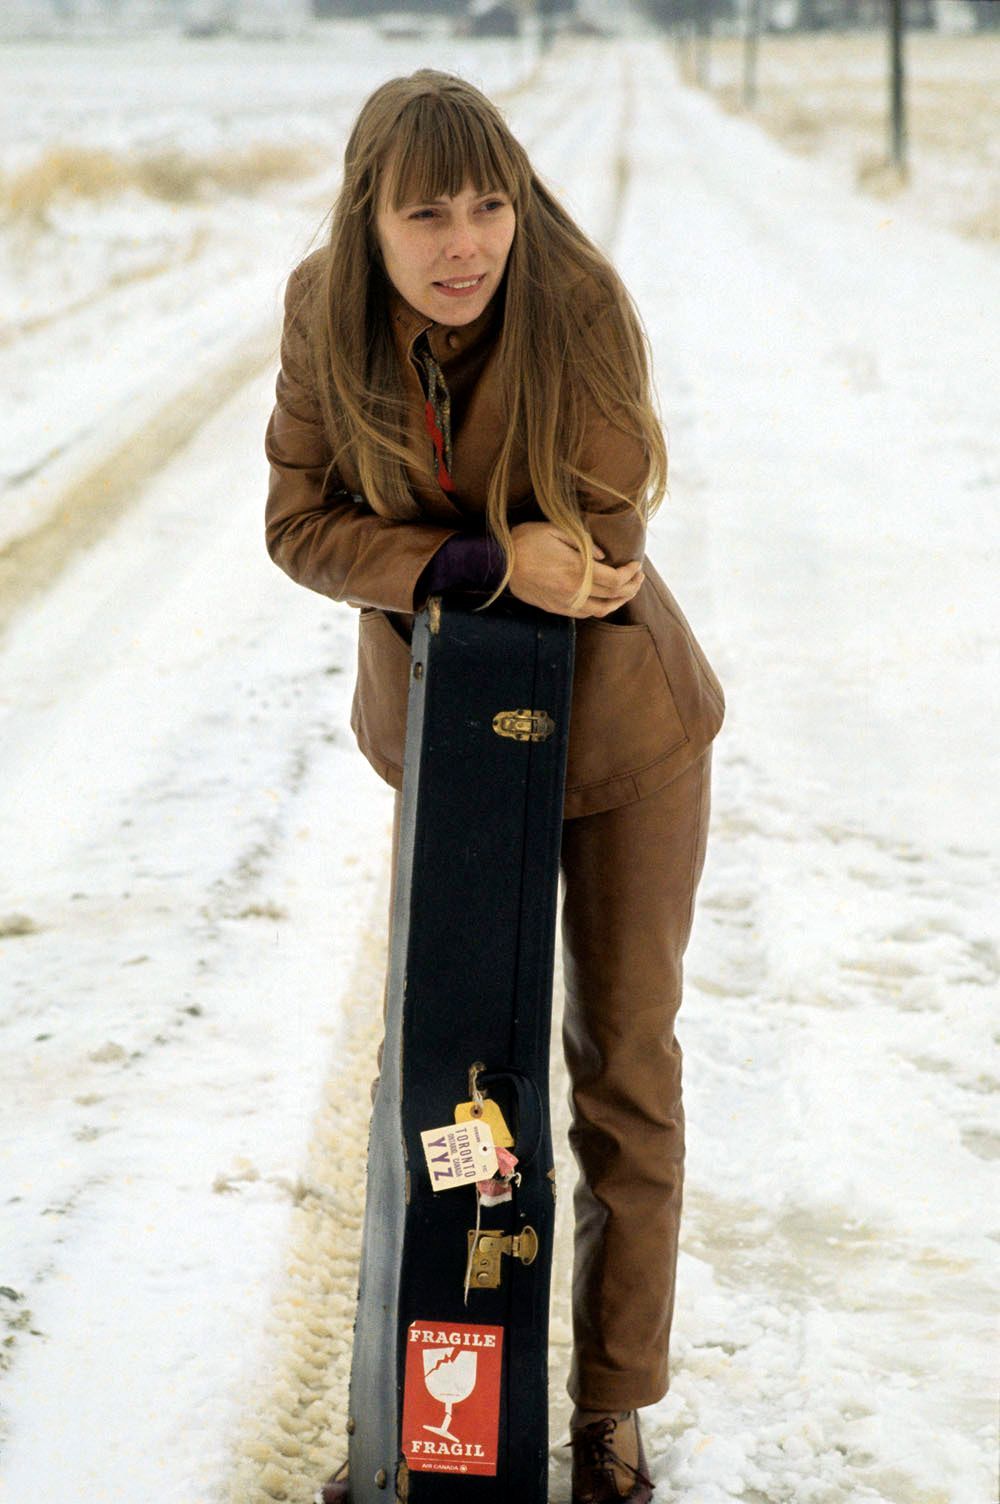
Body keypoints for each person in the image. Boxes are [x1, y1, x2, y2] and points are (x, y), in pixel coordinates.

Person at [264, 69, 724, 1504]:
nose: (466, 243)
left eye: (489, 206)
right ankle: (423, 1420)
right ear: (369, 220)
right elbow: (297, 522)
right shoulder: (321, 311)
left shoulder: (572, 296)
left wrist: (465, 546)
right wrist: (473, 560)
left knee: (624, 1073)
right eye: (427, 215)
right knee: (456, 1083)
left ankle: (609, 1412)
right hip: (457, 742)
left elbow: (602, 526)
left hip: (624, 742)